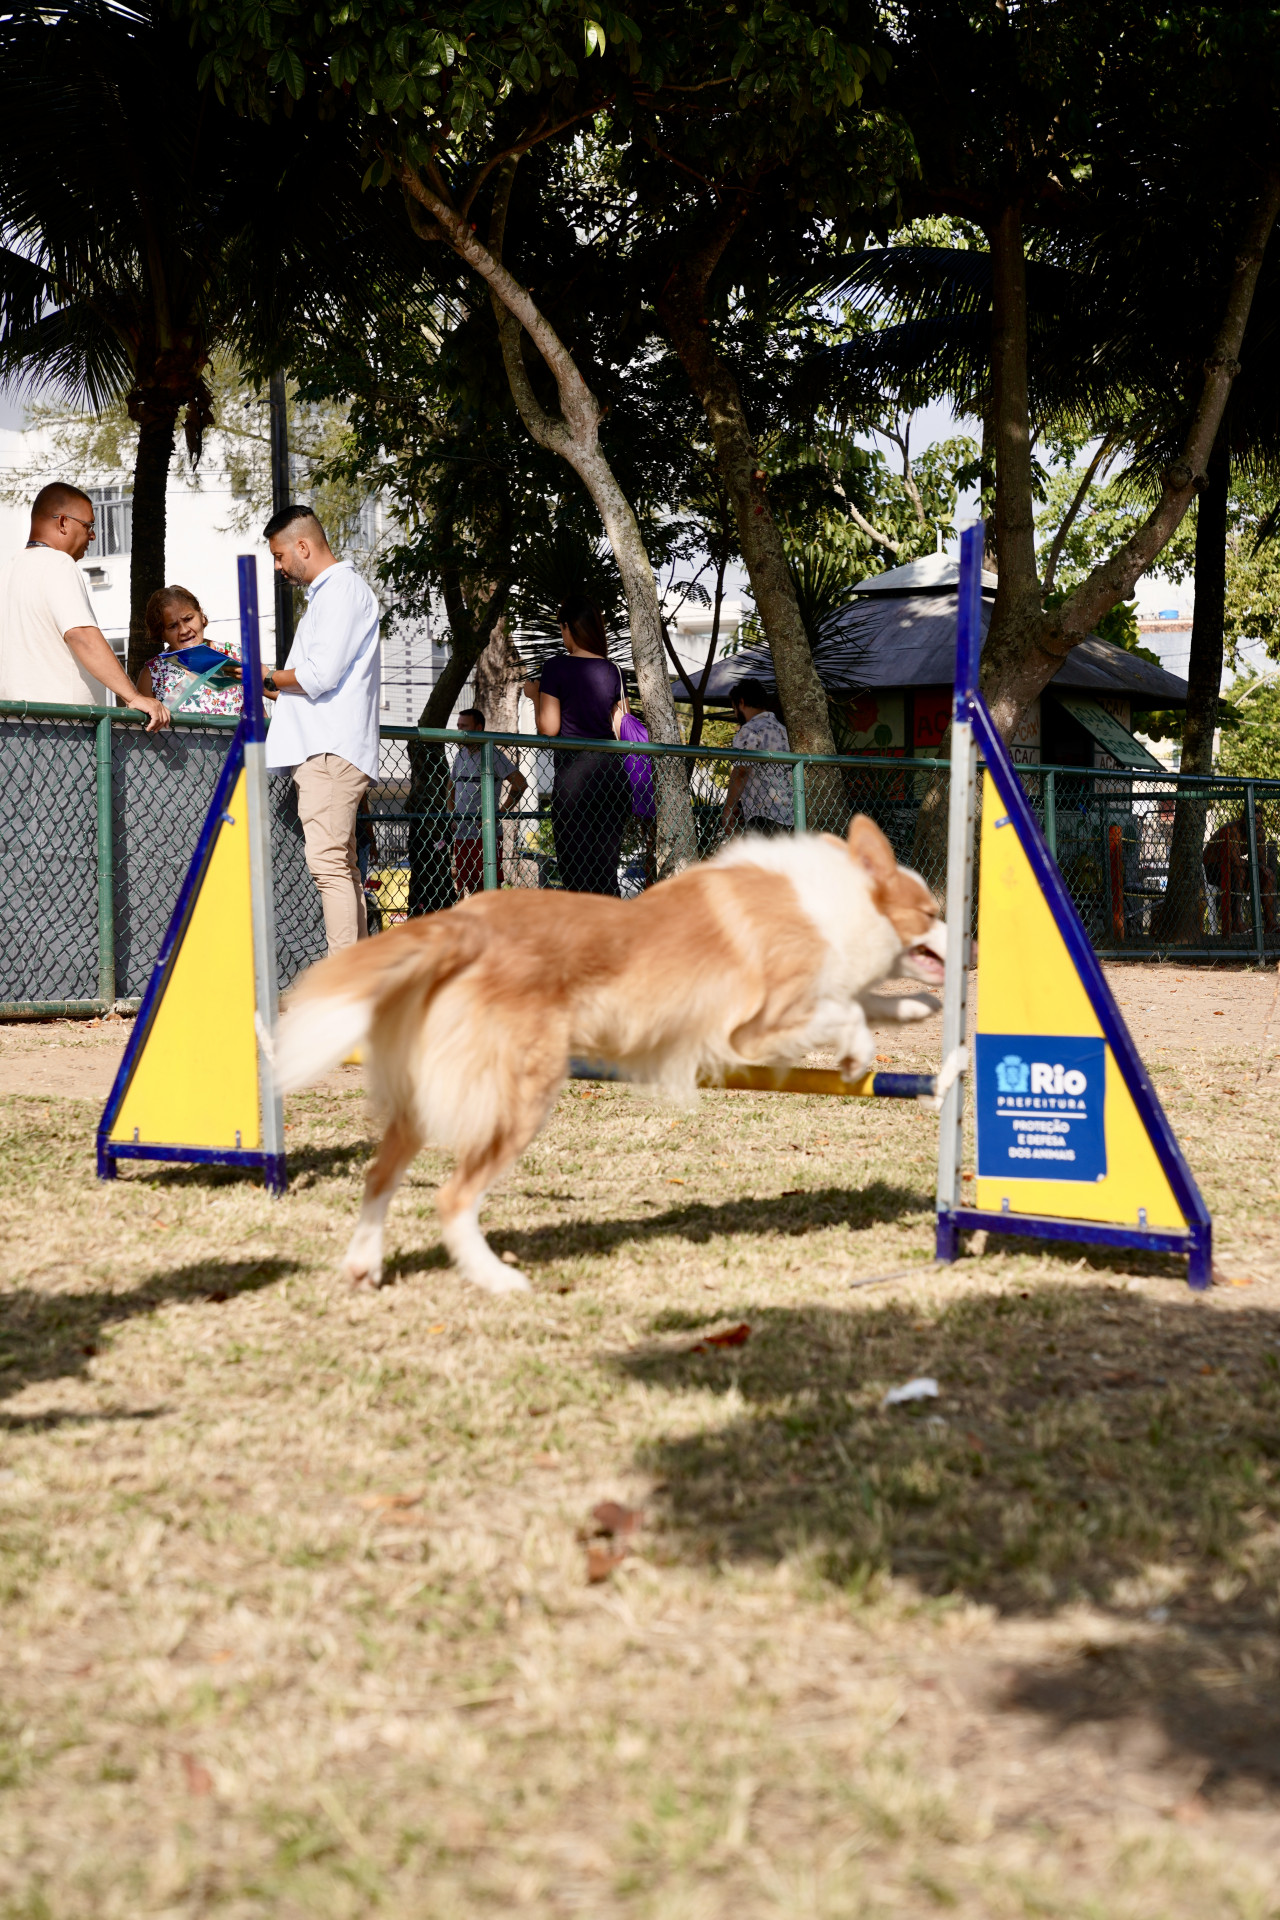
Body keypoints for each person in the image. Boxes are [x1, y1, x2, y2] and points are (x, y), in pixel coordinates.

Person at [243, 503, 381, 955]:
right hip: (329, 746)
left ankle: (344, 980)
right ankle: (357, 979)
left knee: (329, 867)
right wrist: (278, 688)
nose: (279, 567)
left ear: (303, 546)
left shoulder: (341, 590)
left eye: (280, 556)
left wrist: (268, 677)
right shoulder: (333, 592)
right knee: (342, 867)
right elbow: (320, 683)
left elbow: (319, 675)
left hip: (329, 751)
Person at [0, 482, 169, 729]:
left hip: (12, 729)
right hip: (62, 730)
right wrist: (134, 697)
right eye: (89, 525)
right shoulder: (57, 563)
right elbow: (81, 635)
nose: (92, 535)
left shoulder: (7, 571)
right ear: (63, 522)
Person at [523, 595, 632, 895]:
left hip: (575, 778)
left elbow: (549, 728)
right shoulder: (613, 671)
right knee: (605, 871)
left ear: (568, 628)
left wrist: (534, 697)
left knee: (577, 872)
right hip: (612, 776)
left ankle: (587, 937)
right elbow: (622, 726)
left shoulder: (556, 667)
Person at [449, 706, 528, 897]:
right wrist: (451, 814)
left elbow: (520, 783)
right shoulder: (460, 755)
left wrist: (500, 811)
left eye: (464, 727)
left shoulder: (491, 754)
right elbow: (450, 786)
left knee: (488, 888)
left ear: (478, 728)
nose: (460, 731)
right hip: (461, 833)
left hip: (484, 835)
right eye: (458, 726)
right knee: (463, 884)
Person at [136, 586, 243, 717]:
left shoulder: (236, 655)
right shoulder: (152, 674)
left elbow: (261, 714)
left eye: (188, 619)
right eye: (173, 626)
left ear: (201, 615)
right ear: (161, 633)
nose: (184, 630)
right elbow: (142, 733)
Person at [721, 678, 791, 837]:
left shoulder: (749, 731)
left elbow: (741, 771)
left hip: (763, 814)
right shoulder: (783, 729)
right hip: (791, 813)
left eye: (734, 708)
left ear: (741, 702)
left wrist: (728, 809)